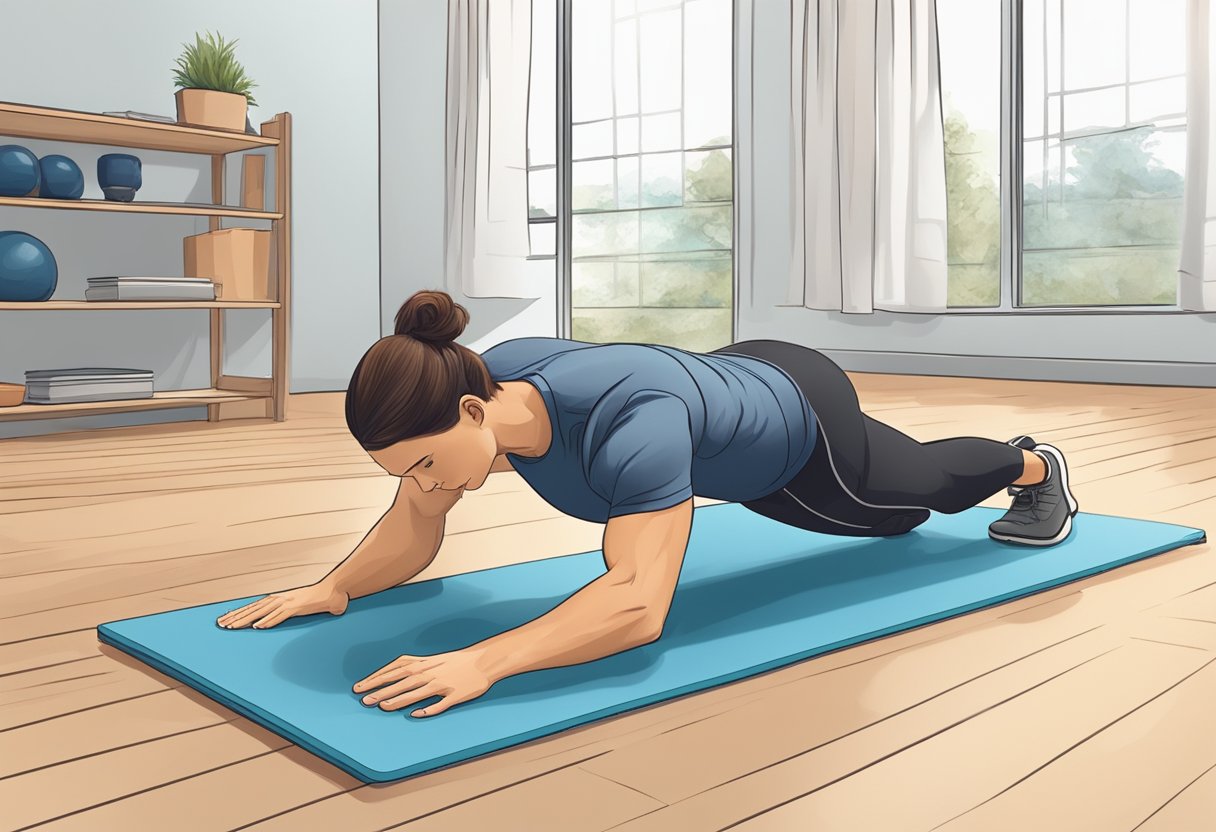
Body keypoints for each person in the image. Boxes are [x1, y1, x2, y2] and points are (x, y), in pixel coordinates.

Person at [216, 289, 1079, 718]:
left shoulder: (631, 422)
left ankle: (1033, 468)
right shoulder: (476, 389)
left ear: (472, 411)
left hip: (800, 427)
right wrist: (338, 586)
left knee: (911, 493)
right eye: (409, 469)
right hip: (735, 399)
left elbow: (637, 605)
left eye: (429, 463)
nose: (427, 485)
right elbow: (414, 524)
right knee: (891, 521)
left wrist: (489, 660)